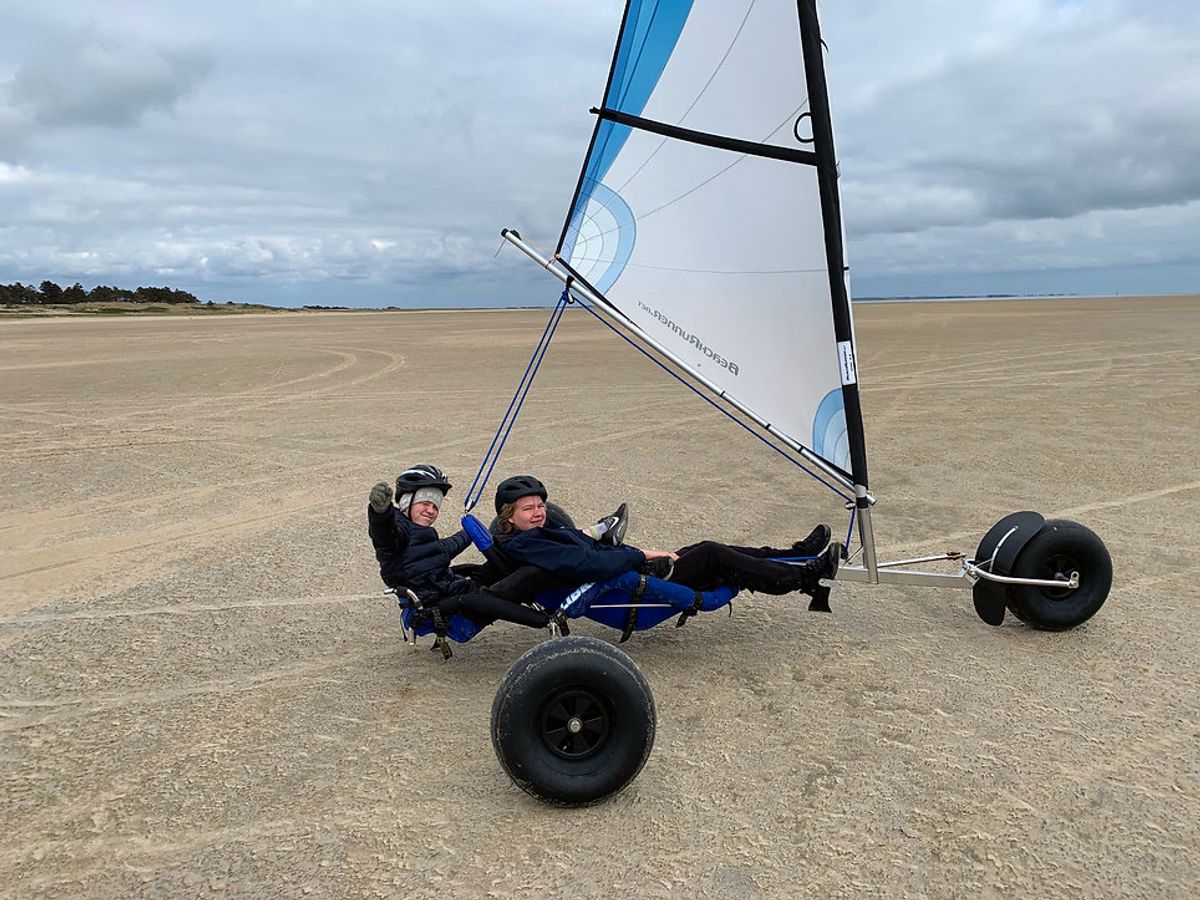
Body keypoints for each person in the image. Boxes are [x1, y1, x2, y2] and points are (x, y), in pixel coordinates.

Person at [366, 464, 627, 636]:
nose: (431, 510)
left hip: (447, 586)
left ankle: (591, 537)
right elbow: (383, 534)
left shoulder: (421, 534)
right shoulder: (395, 533)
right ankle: (546, 621)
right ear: (405, 502)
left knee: (501, 560)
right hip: (437, 604)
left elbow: (442, 550)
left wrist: (473, 533)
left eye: (435, 505)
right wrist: (380, 512)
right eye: (425, 502)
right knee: (526, 575)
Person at [492, 475, 840, 598]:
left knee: (706, 550)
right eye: (528, 509)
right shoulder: (529, 545)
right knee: (713, 554)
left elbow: (578, 543)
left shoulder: (537, 533)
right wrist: (644, 555)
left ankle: (792, 554)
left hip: (634, 569)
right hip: (634, 579)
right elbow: (588, 563)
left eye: (540, 505)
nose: (538, 512)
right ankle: (805, 577)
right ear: (510, 516)